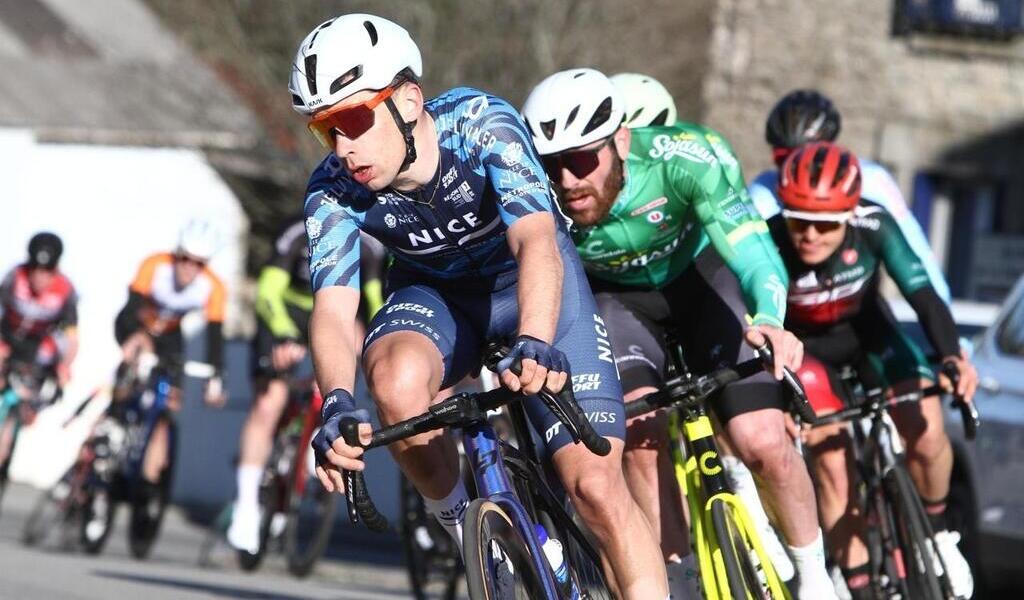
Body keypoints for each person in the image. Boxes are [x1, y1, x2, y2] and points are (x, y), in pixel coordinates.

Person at [291, 14, 668, 598]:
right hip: (440, 297)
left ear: (409, 101)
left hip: (531, 287)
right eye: (325, 130)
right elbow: (334, 311)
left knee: (594, 485)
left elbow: (536, 242)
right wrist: (336, 402)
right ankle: (474, 532)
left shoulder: (481, 125)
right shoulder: (333, 191)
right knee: (391, 379)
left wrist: (538, 340)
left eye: (355, 119)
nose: (343, 148)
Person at [521, 67, 837, 600]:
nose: (568, 181)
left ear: (620, 139)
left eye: (580, 160)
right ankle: (678, 576)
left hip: (700, 279)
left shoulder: (685, 156)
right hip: (616, 301)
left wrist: (770, 318)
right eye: (553, 166)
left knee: (761, 440)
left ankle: (813, 577)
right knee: (640, 433)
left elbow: (752, 247)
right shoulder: (536, 193)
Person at [768, 142, 978, 599]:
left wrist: (950, 356)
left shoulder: (874, 223)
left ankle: (940, 535)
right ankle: (861, 587)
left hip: (872, 339)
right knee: (831, 461)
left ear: (849, 214)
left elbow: (922, 290)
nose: (809, 234)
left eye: (824, 224)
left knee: (927, 427)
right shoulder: (769, 239)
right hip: (809, 356)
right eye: (798, 219)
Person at [748, 89, 951, 303]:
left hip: (856, 306)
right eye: (783, 159)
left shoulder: (872, 179)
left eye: (809, 157)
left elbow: (916, 248)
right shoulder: (762, 193)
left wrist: (945, 316)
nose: (797, 168)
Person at [113, 219, 227, 506]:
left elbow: (216, 339)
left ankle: (151, 473)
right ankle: (109, 428)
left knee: (170, 401)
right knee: (127, 380)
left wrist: (215, 380)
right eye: (184, 259)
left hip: (170, 338)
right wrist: (134, 340)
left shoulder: (213, 287)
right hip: (137, 324)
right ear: (175, 254)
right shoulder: (154, 265)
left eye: (198, 263)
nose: (189, 268)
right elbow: (129, 310)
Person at [0, 233, 79, 469]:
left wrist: (65, 366)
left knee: (33, 398)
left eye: (47, 270)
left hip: (38, 350)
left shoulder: (65, 290)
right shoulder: (15, 277)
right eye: (35, 268)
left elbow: (72, 337)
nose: (39, 276)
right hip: (7, 339)